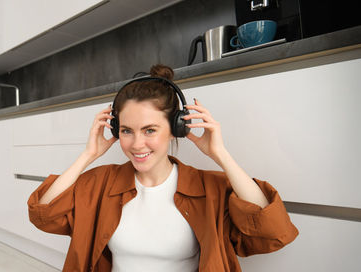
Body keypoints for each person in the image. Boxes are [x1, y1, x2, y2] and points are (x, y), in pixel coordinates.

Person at [27, 64, 298, 271]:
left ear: (176, 129)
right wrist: (88, 155)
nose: (137, 144)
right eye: (126, 130)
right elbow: (44, 214)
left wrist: (221, 155)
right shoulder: (101, 183)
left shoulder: (209, 188)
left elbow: (272, 231)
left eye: (149, 130)